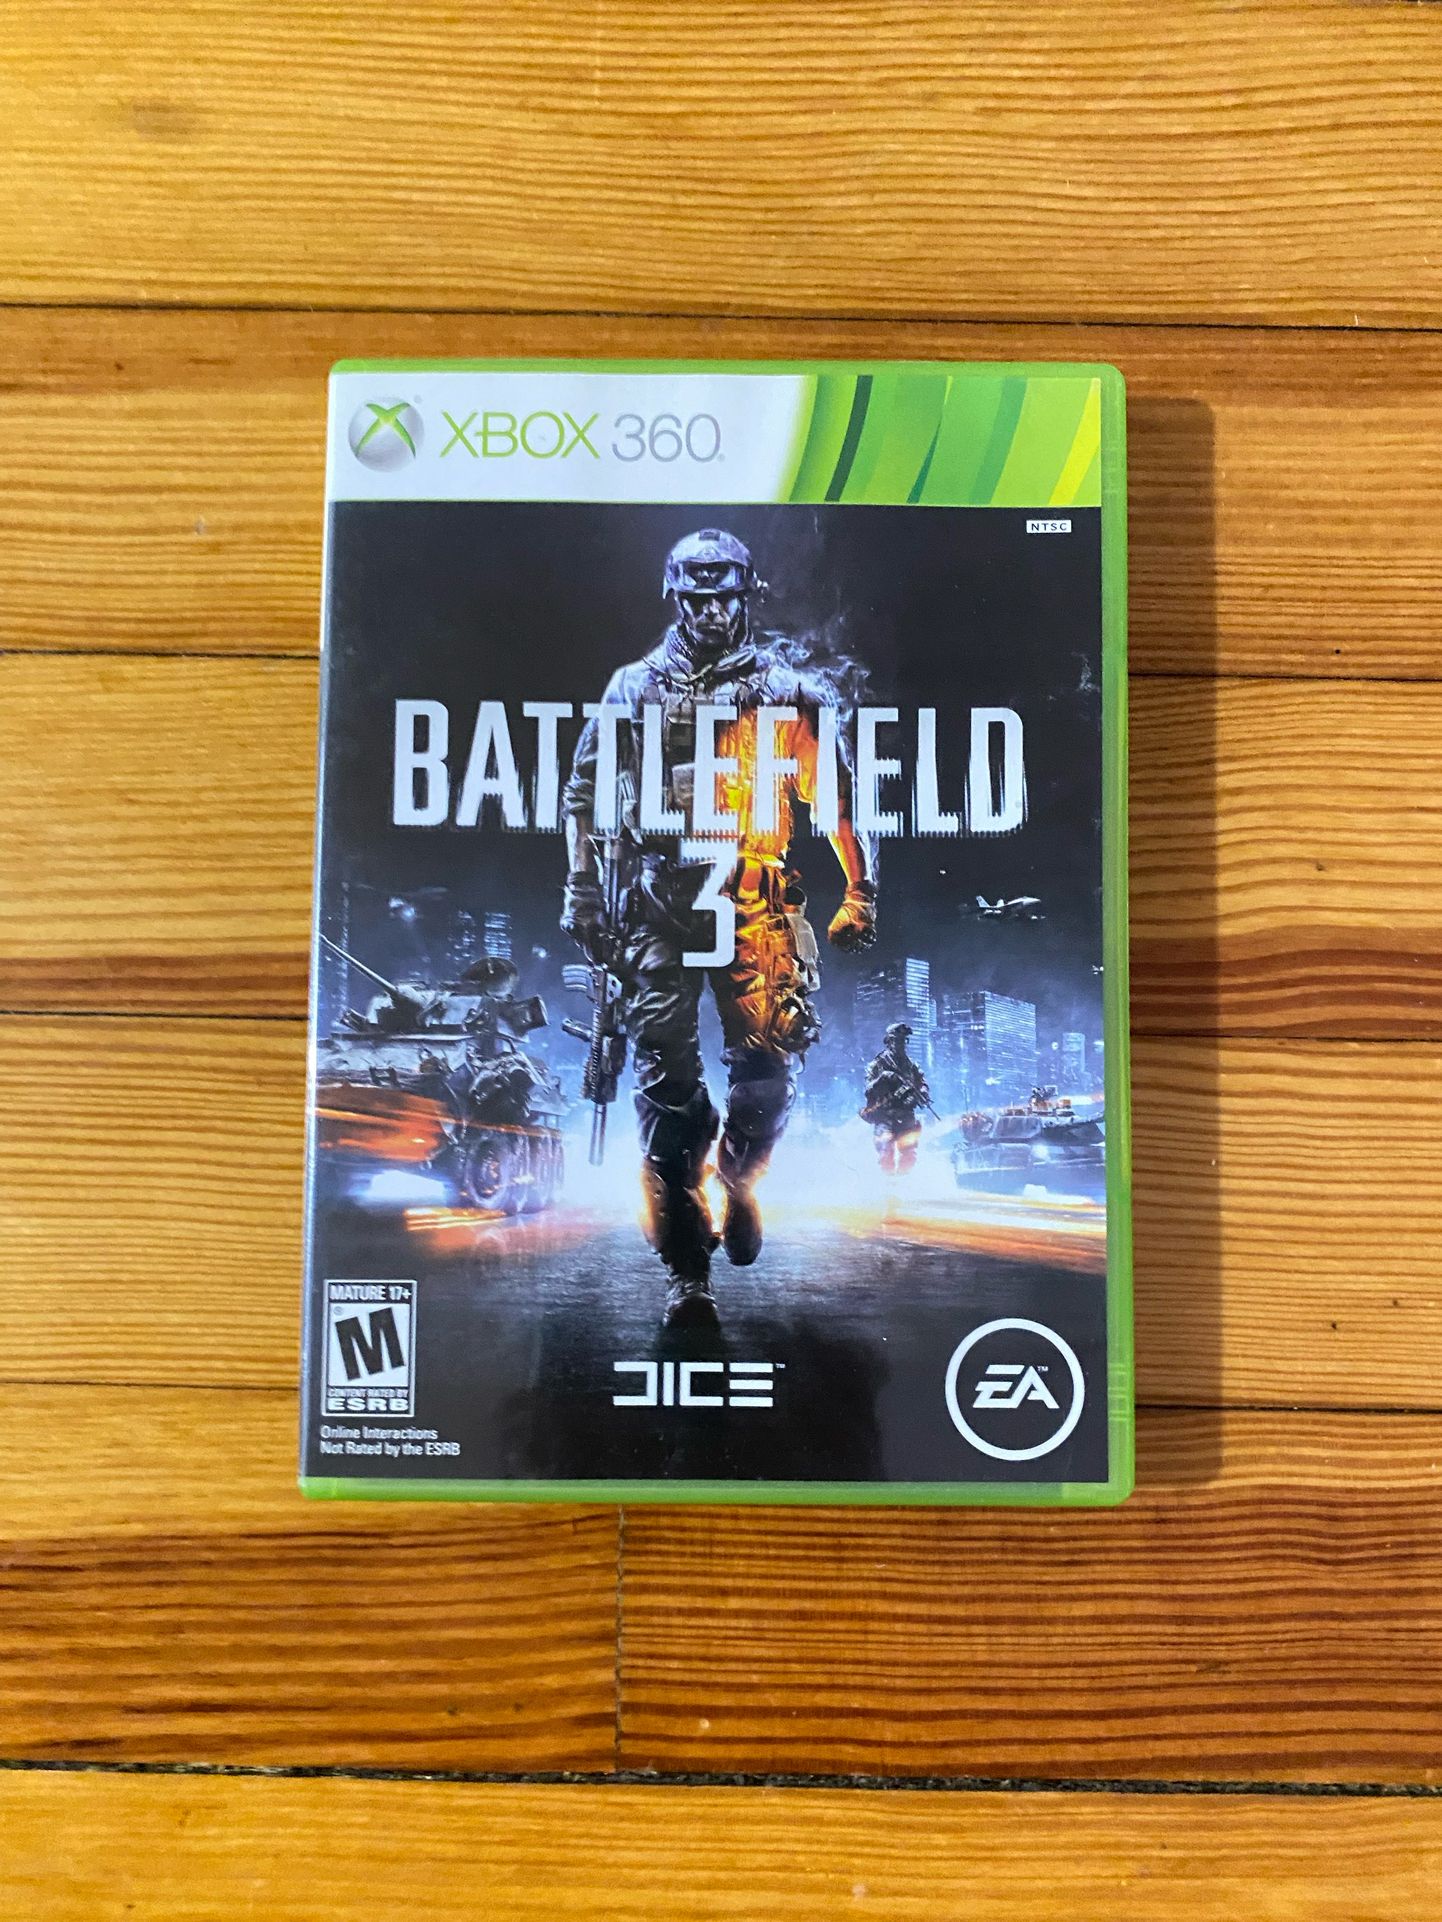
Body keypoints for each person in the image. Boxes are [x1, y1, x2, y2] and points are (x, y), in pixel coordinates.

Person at [560, 529, 878, 1330]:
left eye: (723, 597)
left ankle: (737, 1178)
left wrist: (860, 889)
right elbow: (584, 798)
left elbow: (839, 801)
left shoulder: (789, 693)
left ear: (745, 598)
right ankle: (687, 1267)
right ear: (676, 597)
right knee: (665, 1090)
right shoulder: (633, 688)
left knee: (768, 1075)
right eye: (696, 598)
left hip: (754, 904)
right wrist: (581, 889)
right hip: (658, 905)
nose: (709, 612)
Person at [861, 1022, 930, 1175]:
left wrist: (923, 1093)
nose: (901, 1044)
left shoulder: (911, 1065)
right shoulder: (877, 1065)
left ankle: (904, 1181)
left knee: (909, 1155)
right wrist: (884, 1078)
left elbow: (922, 1083)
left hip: (906, 1115)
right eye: (898, 1040)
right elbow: (868, 1089)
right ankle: (888, 1182)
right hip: (884, 1115)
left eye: (904, 1041)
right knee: (886, 1153)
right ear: (889, 1041)